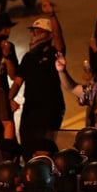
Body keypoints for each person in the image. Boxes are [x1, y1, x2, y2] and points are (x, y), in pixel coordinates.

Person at [9, 17, 65, 156]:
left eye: (39, 32)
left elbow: (59, 40)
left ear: (50, 35)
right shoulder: (28, 57)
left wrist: (52, 15)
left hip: (50, 108)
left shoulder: (55, 54)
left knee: (44, 147)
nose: (34, 35)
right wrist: (8, 99)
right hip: (30, 109)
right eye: (33, 32)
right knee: (27, 146)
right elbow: (18, 81)